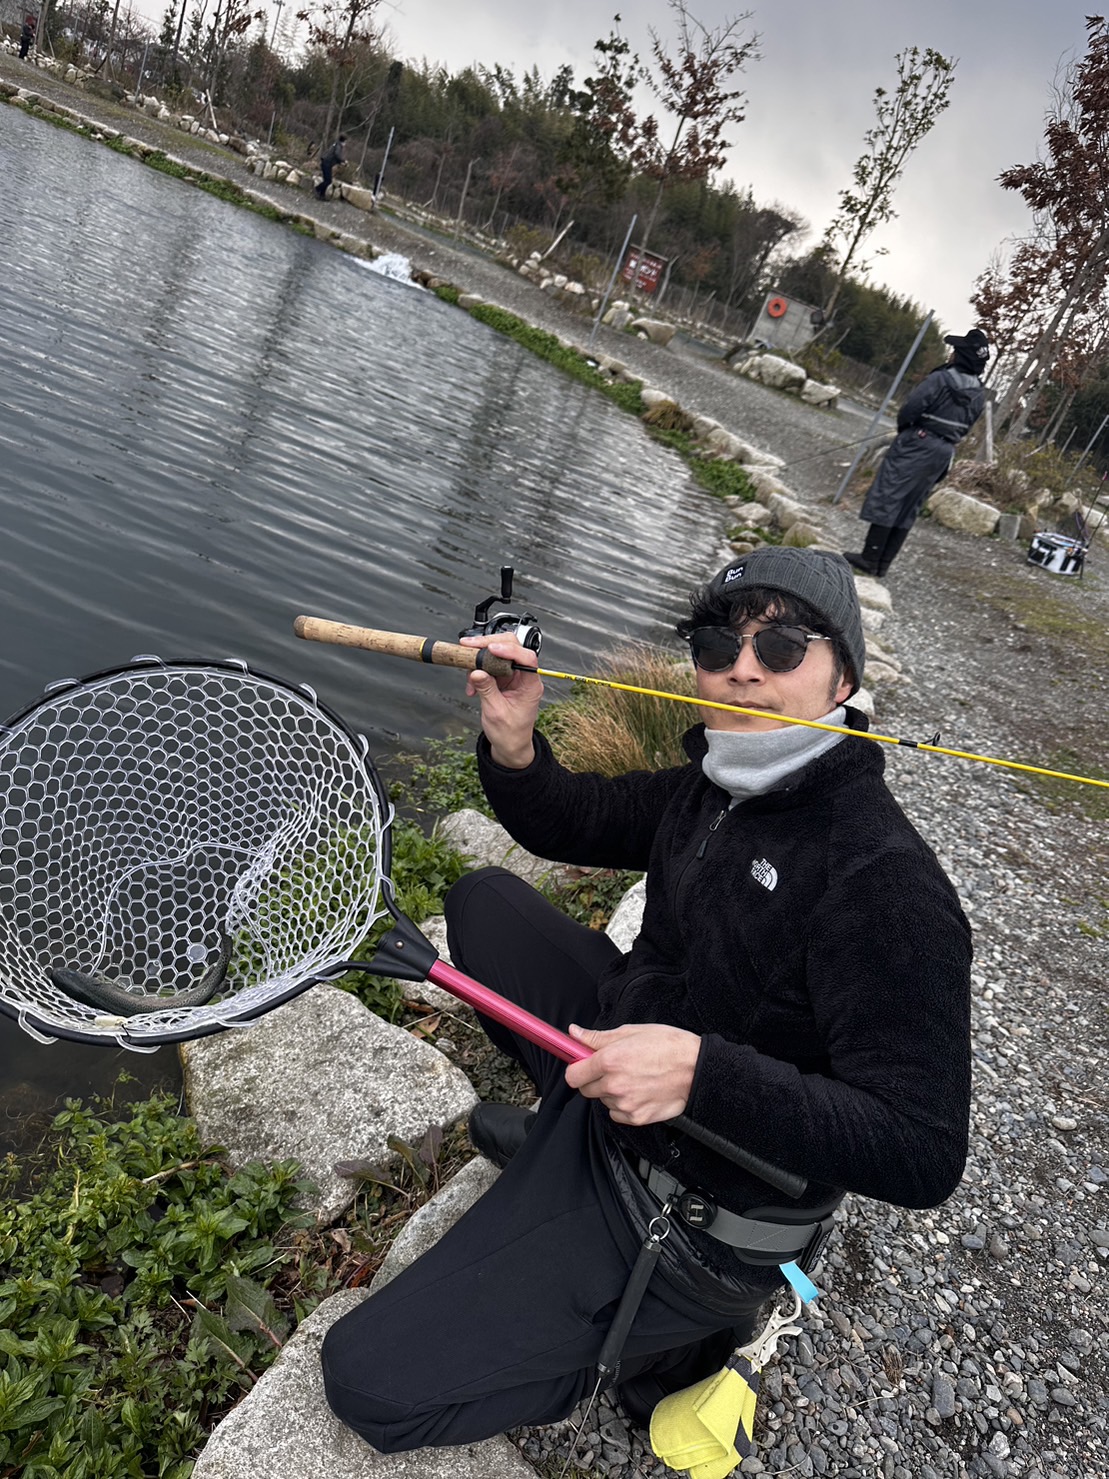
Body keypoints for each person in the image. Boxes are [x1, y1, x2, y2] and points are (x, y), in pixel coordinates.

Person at [321, 547, 972, 1454]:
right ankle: (567, 1123)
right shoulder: (718, 780)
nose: (742, 666)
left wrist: (701, 1077)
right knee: (482, 903)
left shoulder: (882, 879)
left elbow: (922, 1148)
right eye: (717, 642)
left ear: (845, 674)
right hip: (627, 1061)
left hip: (700, 1196)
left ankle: (663, 1340)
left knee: (365, 1381)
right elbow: (568, 818)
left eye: (783, 644)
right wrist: (514, 740)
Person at [845, 328, 990, 578]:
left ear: (961, 356)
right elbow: (967, 425)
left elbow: (911, 408)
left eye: (956, 351)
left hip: (918, 441)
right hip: (944, 451)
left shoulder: (941, 379)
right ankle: (883, 563)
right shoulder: (978, 392)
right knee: (910, 505)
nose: (952, 354)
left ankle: (870, 557)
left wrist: (906, 431)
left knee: (890, 496)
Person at [315, 133, 347, 199]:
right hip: (327, 163)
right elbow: (337, 155)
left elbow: (334, 156)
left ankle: (321, 195)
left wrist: (340, 162)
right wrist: (343, 161)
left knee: (326, 180)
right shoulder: (338, 146)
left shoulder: (335, 144)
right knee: (328, 181)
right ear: (344, 141)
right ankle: (318, 189)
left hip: (325, 162)